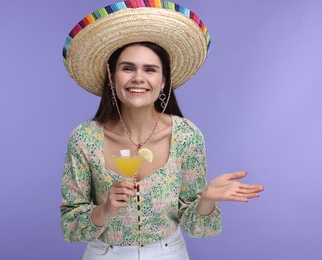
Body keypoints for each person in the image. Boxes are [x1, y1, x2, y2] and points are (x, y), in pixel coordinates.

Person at [60, 1, 264, 259]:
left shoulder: (186, 136)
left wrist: (207, 199)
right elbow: (70, 227)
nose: (138, 78)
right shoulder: (84, 138)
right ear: (112, 77)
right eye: (127, 68)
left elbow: (197, 227)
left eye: (150, 69)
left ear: (164, 80)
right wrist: (106, 209)